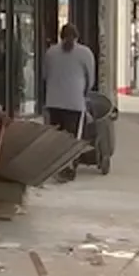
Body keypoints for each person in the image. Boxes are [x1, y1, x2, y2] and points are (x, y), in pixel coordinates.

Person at [42, 24, 94, 181]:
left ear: (60, 36)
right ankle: (70, 166)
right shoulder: (85, 53)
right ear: (77, 37)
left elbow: (45, 75)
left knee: (58, 135)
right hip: (74, 103)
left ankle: (57, 166)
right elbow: (90, 79)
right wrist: (84, 94)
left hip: (54, 101)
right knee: (73, 137)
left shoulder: (50, 52)